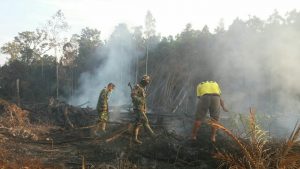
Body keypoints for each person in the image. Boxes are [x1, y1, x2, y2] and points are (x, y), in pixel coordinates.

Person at [131, 75, 155, 144]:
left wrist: (144, 108)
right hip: (138, 108)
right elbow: (133, 95)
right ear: (143, 80)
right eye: (147, 80)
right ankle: (153, 136)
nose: (148, 82)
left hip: (141, 108)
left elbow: (143, 100)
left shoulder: (143, 88)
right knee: (145, 121)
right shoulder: (137, 86)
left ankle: (134, 139)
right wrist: (139, 100)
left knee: (138, 124)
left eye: (148, 81)